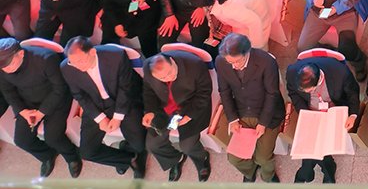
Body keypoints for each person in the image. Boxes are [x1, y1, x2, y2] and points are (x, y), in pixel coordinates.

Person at [61, 36, 147, 179]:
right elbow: (80, 95)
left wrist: (117, 117)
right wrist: (100, 118)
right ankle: (128, 159)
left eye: (80, 61)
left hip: (123, 100)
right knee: (87, 152)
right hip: (96, 105)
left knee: (139, 144)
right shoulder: (67, 67)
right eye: (73, 62)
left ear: (92, 52)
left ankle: (135, 151)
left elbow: (126, 89)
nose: (77, 66)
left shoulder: (116, 56)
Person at [0, 38, 81, 179]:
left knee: (53, 137)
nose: (6, 70)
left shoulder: (46, 58)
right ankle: (47, 155)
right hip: (28, 102)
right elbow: (8, 91)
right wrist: (22, 111)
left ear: (21, 54)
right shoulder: (3, 67)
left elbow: (60, 89)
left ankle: (72, 156)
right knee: (22, 140)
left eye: (10, 64)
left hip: (55, 99)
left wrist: (42, 112)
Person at [215, 33, 284, 182]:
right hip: (241, 110)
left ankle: (268, 175)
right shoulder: (221, 61)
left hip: (267, 113)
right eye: (230, 62)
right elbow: (224, 91)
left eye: (237, 61)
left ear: (247, 52)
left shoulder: (266, 62)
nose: (234, 66)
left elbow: (272, 94)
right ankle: (249, 172)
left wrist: (263, 123)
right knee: (234, 157)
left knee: (263, 158)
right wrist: (232, 119)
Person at [285, 51, 361, 183]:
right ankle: (326, 169)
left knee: (320, 144)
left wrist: (353, 115)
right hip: (311, 112)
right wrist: (305, 113)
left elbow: (353, 94)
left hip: (334, 111)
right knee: (311, 143)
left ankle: (306, 171)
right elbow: (293, 94)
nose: (308, 92)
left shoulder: (340, 72)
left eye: (310, 90)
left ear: (319, 79)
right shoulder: (292, 72)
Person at [142, 50, 213, 182]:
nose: (168, 78)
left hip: (190, 106)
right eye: (162, 78)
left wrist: (189, 116)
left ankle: (202, 158)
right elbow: (148, 91)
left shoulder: (195, 65)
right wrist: (150, 111)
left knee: (187, 146)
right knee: (152, 145)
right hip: (164, 108)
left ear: (172, 61)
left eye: (170, 73)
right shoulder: (147, 66)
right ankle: (175, 159)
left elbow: (204, 92)